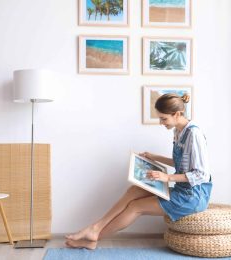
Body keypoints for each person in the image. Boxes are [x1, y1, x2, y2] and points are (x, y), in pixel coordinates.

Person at [65, 93, 212, 249]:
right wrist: (154, 157)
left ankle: (95, 238)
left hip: (193, 197)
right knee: (134, 190)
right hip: (183, 190)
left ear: (177, 114)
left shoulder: (194, 134)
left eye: (164, 119)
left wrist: (167, 177)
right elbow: (181, 163)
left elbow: (201, 174)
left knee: (135, 207)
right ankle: (95, 227)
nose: (161, 123)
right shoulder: (178, 131)